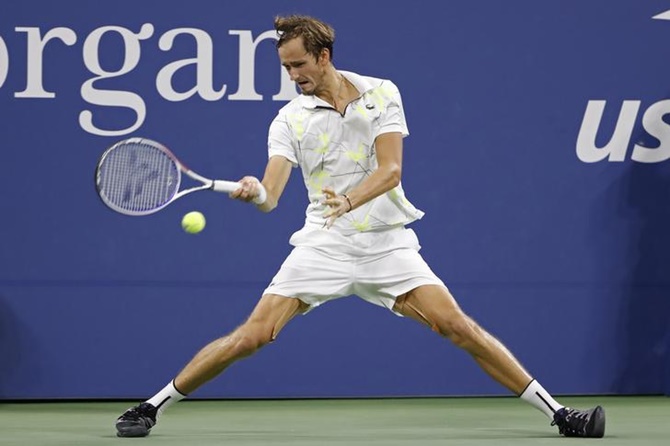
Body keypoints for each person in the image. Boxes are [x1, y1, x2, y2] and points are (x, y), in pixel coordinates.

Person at [115, 15, 606, 439]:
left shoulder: (381, 93)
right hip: (324, 244)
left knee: (458, 327)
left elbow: (391, 170)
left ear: (323, 56)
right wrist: (254, 192)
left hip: (386, 243)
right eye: (286, 68)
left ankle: (561, 416)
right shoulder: (288, 120)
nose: (293, 76)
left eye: (299, 65)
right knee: (252, 336)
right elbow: (272, 197)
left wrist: (348, 200)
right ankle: (151, 407)